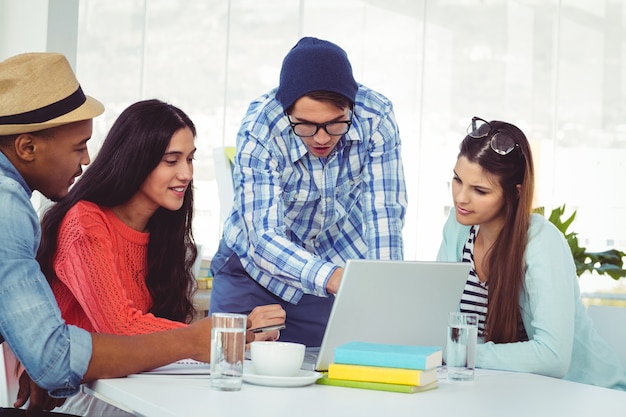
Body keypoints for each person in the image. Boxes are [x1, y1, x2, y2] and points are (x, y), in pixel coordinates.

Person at [0, 52, 247, 414]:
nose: (86, 160)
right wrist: (193, 341)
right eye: (78, 146)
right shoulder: (9, 208)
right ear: (27, 147)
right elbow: (55, 361)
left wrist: (36, 349)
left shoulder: (164, 231)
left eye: (190, 159)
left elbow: (44, 354)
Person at [36, 99, 286, 415]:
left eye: (190, 159)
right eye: (171, 161)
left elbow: (161, 334)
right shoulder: (84, 222)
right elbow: (119, 328)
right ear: (135, 160)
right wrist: (224, 335)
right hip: (87, 396)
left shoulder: (164, 233)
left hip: (138, 388)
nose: (186, 174)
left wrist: (242, 342)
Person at [209, 37, 408, 347]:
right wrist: (335, 278)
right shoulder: (261, 125)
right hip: (251, 275)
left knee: (323, 374)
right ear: (286, 109)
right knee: (231, 368)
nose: (320, 138)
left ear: (351, 108)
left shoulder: (376, 118)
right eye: (305, 125)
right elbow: (261, 236)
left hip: (328, 269)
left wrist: (383, 287)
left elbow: (384, 214)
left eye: (334, 123)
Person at [437, 116, 626, 390]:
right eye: (457, 180)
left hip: (591, 396)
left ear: (515, 193)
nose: (461, 198)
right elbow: (439, 324)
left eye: (479, 190)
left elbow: (552, 357)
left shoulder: (542, 242)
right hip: (513, 391)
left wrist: (460, 352)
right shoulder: (457, 229)